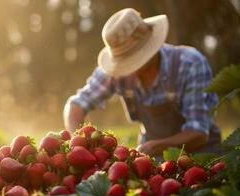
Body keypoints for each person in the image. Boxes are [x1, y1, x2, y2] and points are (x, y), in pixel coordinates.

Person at [63, 8, 221, 157]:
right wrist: (78, 143)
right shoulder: (116, 72)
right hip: (152, 157)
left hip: (203, 154)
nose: (129, 69)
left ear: (151, 45)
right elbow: (76, 105)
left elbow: (199, 133)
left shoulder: (189, 64)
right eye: (126, 62)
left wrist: (157, 146)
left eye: (134, 60)